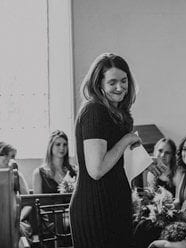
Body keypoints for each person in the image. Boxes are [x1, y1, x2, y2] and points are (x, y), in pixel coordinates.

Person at [70, 52, 142, 247]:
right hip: (96, 208)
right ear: (99, 84)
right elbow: (97, 170)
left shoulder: (119, 114)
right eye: (112, 82)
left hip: (115, 204)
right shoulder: (95, 111)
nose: (120, 87)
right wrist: (127, 139)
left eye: (124, 80)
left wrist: (147, 164)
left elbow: (118, 161)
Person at [32, 130, 78, 194]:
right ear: (50, 147)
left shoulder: (75, 170)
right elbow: (37, 200)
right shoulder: (38, 173)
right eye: (58, 144)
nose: (62, 148)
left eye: (65, 144)